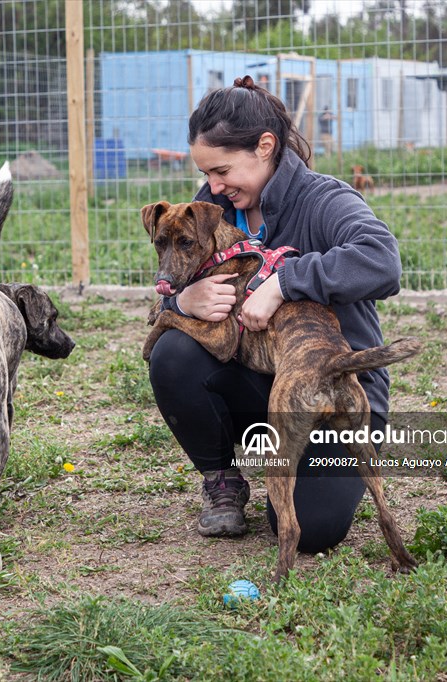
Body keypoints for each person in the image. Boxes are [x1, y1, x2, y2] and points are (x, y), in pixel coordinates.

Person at [147, 75, 402, 554]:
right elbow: (172, 273)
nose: (212, 185)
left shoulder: (324, 199)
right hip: (258, 379)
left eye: (221, 170)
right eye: (207, 173)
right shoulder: (212, 210)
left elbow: (383, 260)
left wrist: (282, 283)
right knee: (173, 351)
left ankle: (300, 470)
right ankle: (223, 481)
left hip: (333, 387)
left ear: (265, 146)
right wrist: (181, 302)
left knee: (315, 529)